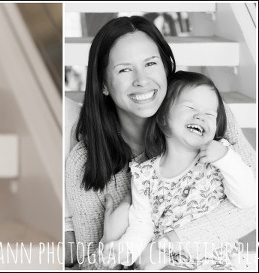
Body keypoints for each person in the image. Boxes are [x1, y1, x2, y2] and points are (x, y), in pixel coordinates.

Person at [64, 16, 257, 270]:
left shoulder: (205, 115)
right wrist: (110, 241)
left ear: (166, 67)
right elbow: (88, 263)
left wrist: (167, 245)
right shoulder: (85, 162)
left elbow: (252, 205)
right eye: (124, 69)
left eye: (151, 63)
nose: (141, 80)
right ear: (103, 84)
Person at [102, 71, 257, 270]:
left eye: (210, 114)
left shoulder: (220, 159)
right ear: (163, 118)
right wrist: (123, 249)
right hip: (164, 263)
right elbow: (141, 226)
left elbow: (248, 200)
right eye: (190, 107)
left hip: (213, 264)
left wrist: (225, 158)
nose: (200, 116)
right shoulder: (145, 175)